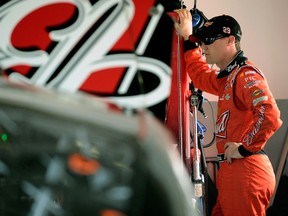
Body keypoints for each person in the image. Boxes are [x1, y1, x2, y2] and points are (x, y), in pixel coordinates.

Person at [173, 9, 283, 216]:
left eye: (209, 41)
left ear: (230, 40)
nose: (204, 47)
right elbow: (200, 76)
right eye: (201, 42)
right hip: (233, 170)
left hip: (246, 168)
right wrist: (188, 39)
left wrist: (245, 149)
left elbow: (270, 115)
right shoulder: (228, 78)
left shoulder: (245, 74)